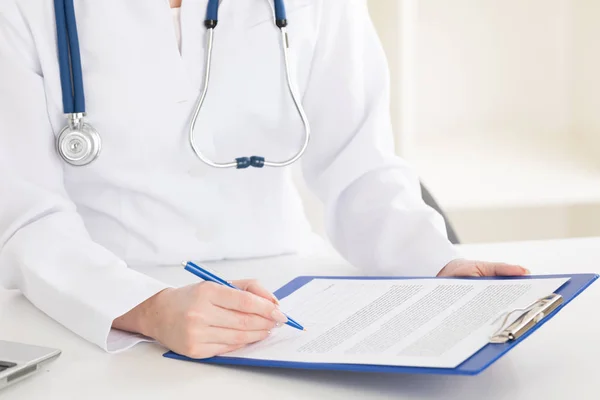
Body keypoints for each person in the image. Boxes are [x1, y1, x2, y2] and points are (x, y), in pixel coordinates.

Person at [0, 0, 528, 359]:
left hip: (286, 303)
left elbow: (359, 162)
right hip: (100, 304)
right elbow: (27, 215)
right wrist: (146, 307)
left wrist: (438, 263)